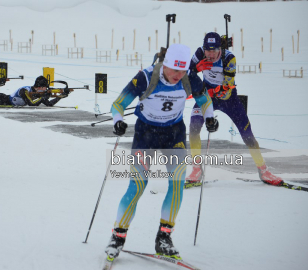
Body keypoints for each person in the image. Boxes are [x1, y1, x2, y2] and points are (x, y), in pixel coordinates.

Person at [104, 44, 218, 263]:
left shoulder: (189, 78)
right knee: (137, 186)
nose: (178, 76)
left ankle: (164, 238)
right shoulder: (145, 78)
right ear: (164, 64)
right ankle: (117, 237)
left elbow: (204, 101)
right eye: (174, 70)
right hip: (145, 134)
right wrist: (118, 121)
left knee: (177, 182)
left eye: (182, 71)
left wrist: (210, 116)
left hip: (173, 134)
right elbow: (118, 104)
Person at [186, 32, 283, 186]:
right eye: (207, 50)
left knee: (247, 134)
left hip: (228, 99)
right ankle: (196, 168)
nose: (210, 54)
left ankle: (263, 169)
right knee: (194, 128)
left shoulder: (229, 58)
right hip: (205, 95)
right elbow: (186, 75)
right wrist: (197, 68)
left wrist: (214, 92)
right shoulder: (199, 53)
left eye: (214, 50)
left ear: (220, 49)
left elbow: (226, 92)